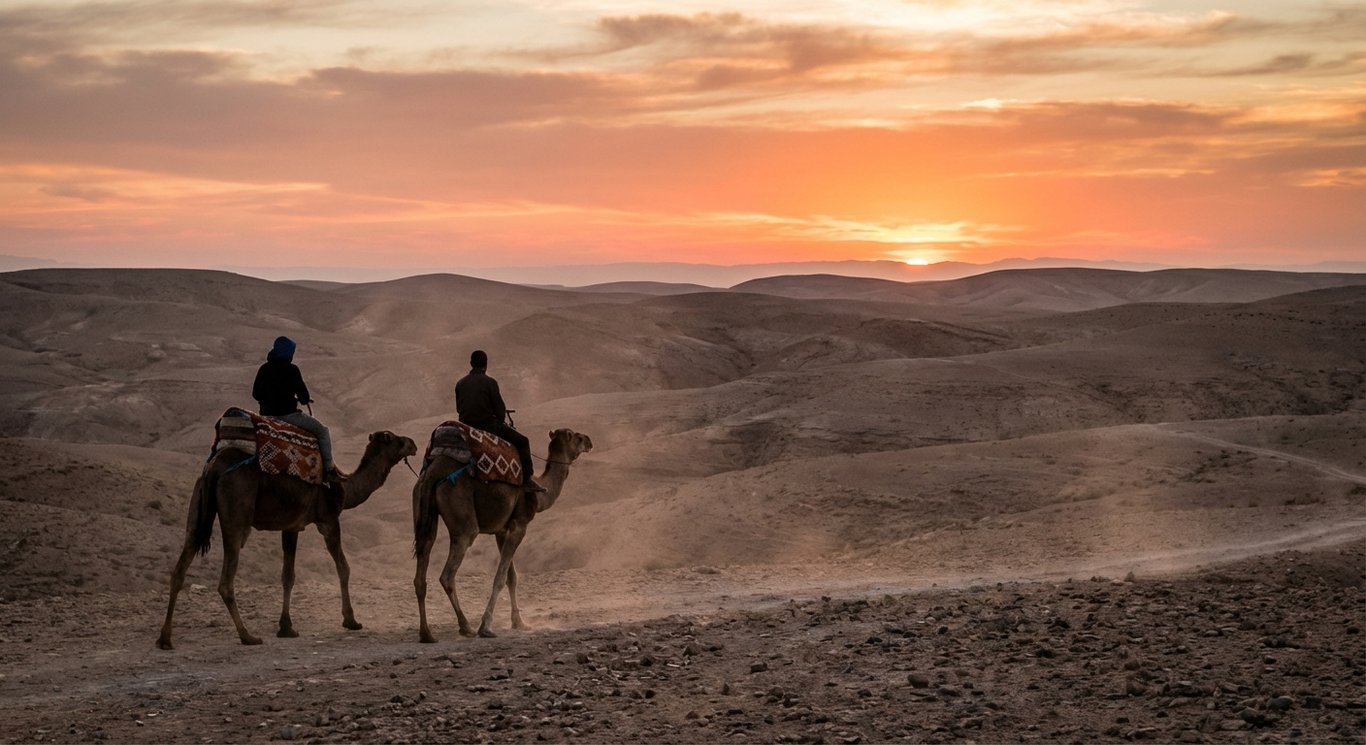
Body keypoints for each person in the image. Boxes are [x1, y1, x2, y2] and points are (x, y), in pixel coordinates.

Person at [251, 336, 343, 483]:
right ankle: (329, 470)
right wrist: (302, 400)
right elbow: (303, 395)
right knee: (323, 431)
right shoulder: (292, 370)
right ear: (288, 353)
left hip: (266, 417)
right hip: (288, 416)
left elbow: (255, 394)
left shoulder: (264, 368)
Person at [454, 349, 545, 493]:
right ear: (486, 365)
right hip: (488, 427)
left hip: (466, 428)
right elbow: (500, 412)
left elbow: (460, 409)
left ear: (471, 364)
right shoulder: (490, 383)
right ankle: (527, 480)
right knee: (523, 441)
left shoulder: (460, 383)